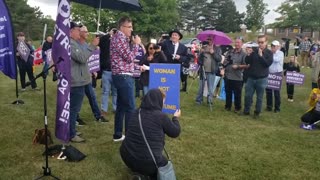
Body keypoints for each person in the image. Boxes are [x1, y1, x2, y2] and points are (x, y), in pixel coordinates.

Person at [120, 89, 181, 179]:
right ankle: (144, 177)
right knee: (163, 165)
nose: (163, 104)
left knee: (145, 160)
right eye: (163, 101)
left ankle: (139, 173)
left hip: (126, 155)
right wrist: (175, 118)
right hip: (147, 161)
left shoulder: (136, 112)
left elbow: (128, 132)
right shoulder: (161, 117)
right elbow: (175, 132)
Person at [110, 16, 145, 141]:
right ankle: (130, 137)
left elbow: (125, 60)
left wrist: (137, 67)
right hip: (123, 76)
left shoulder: (122, 39)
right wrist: (136, 45)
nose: (132, 29)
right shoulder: (119, 38)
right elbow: (129, 57)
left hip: (123, 74)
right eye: (129, 27)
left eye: (132, 27)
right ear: (122, 27)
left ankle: (118, 134)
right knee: (130, 107)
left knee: (121, 106)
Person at [69, 22, 100, 143]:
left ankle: (72, 130)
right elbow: (82, 58)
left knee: (74, 109)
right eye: (77, 29)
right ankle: (71, 134)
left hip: (80, 79)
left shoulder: (75, 43)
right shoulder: (70, 43)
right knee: (74, 109)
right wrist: (92, 46)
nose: (79, 31)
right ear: (71, 31)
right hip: (76, 81)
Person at [76, 25, 107, 125]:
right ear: (79, 32)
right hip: (78, 77)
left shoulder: (86, 45)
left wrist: (93, 69)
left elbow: (89, 59)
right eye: (85, 31)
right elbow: (81, 59)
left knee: (92, 96)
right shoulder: (75, 45)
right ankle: (76, 117)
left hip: (87, 76)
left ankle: (98, 116)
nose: (87, 33)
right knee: (78, 99)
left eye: (87, 31)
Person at [242, 35, 273, 118]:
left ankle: (257, 112)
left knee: (259, 97)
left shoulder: (269, 53)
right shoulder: (254, 51)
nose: (260, 44)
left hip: (262, 79)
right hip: (251, 78)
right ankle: (246, 111)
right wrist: (248, 54)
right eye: (259, 42)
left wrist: (261, 56)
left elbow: (267, 64)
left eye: (262, 42)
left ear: (266, 42)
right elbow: (247, 62)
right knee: (248, 95)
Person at [195, 36, 222, 105]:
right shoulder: (203, 47)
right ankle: (199, 100)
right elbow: (198, 60)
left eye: (210, 40)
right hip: (203, 70)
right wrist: (201, 54)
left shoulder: (217, 49)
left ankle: (209, 101)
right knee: (201, 87)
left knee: (210, 87)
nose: (209, 41)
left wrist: (213, 53)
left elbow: (219, 59)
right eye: (208, 39)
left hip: (212, 70)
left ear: (213, 41)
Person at [223, 37, 247, 113]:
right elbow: (225, 61)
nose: (237, 44)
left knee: (237, 94)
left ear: (242, 44)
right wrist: (224, 65)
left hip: (237, 77)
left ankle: (237, 107)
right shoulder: (230, 52)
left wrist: (238, 66)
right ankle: (228, 106)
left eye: (238, 42)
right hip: (228, 75)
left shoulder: (244, 54)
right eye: (236, 42)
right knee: (228, 92)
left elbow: (246, 65)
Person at [99, 28, 117, 119]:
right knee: (105, 91)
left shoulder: (119, 44)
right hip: (106, 70)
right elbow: (100, 41)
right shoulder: (106, 43)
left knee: (115, 92)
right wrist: (108, 34)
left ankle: (115, 108)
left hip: (116, 71)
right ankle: (104, 110)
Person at [266, 40, 284, 113]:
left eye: (274, 46)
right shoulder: (270, 53)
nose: (273, 48)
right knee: (268, 91)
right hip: (269, 73)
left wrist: (272, 54)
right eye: (272, 46)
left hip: (277, 73)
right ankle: (269, 106)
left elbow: (276, 60)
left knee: (276, 92)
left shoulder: (281, 53)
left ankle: (277, 108)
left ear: (277, 46)